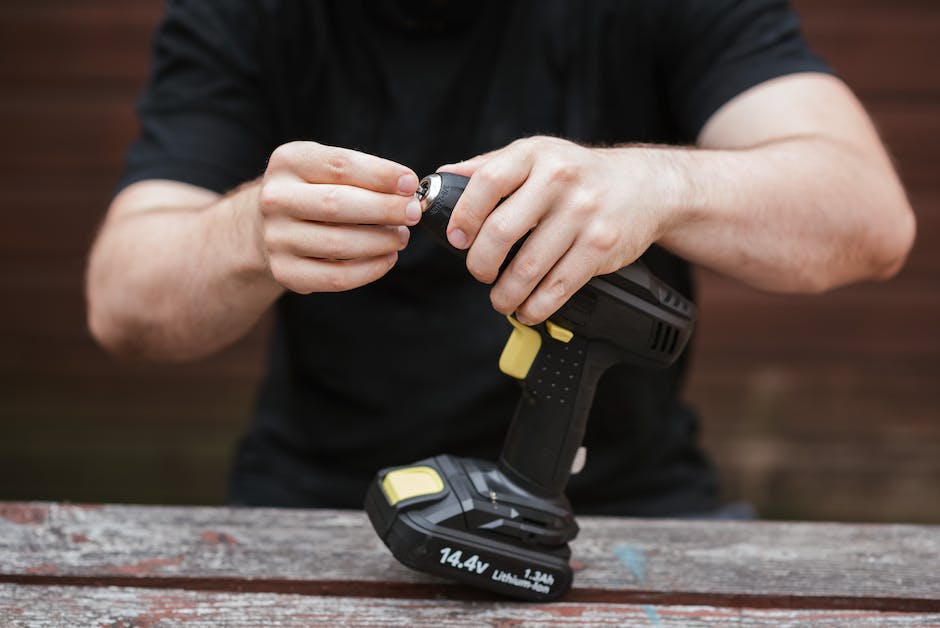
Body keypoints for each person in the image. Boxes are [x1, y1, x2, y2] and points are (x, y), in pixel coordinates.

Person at [86, 1, 915, 516]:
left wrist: (657, 182)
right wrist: (244, 236)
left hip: (625, 501)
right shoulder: (243, 16)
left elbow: (869, 217)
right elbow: (123, 304)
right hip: (318, 501)